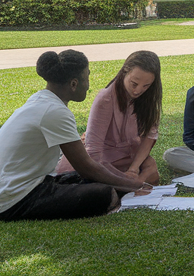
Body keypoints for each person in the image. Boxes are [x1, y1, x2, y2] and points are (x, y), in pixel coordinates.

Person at [0, 49, 151, 221]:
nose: (88, 85)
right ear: (74, 84)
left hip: (28, 185)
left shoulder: (42, 100)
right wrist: (132, 184)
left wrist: (123, 183)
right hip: (11, 201)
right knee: (103, 193)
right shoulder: (54, 112)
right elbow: (86, 166)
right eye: (87, 77)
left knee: (99, 182)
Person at [55, 50, 162, 184]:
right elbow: (94, 152)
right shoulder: (106, 99)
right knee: (103, 183)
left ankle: (133, 185)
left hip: (127, 156)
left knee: (151, 168)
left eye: (146, 86)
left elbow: (149, 137)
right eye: (134, 83)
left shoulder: (149, 99)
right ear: (125, 73)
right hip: (102, 160)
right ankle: (131, 186)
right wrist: (124, 179)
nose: (138, 90)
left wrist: (133, 169)